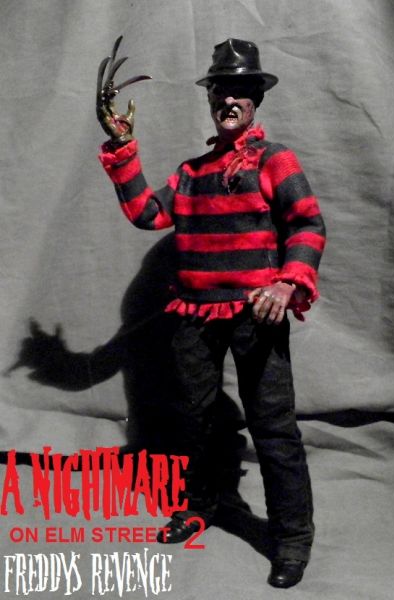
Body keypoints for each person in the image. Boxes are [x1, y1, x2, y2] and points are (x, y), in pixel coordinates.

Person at [97, 37, 326, 589]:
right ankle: (201, 504)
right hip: (195, 315)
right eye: (220, 89)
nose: (228, 100)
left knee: (272, 427)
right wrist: (123, 148)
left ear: (255, 100)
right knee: (195, 418)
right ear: (210, 98)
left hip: (256, 315)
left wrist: (286, 282)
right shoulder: (192, 171)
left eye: (240, 91)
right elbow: (148, 214)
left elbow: (307, 223)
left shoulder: (274, 160)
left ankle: (292, 538)